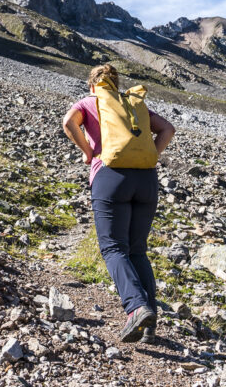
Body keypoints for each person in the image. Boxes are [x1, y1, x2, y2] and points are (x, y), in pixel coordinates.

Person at [61, 64, 175, 342]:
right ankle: (149, 324)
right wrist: (152, 156)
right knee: (137, 250)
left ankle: (136, 307)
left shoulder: (90, 101)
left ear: (93, 85)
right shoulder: (133, 105)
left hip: (110, 177)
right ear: (117, 83)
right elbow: (168, 129)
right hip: (146, 180)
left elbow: (68, 123)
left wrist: (89, 153)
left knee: (113, 248)